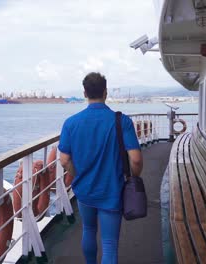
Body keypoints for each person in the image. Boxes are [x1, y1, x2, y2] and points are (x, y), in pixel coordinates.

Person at [58, 72, 143, 264]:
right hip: (112, 190)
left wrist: (77, 175)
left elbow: (64, 160)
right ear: (105, 92)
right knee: (109, 244)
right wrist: (133, 178)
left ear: (85, 93)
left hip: (84, 190)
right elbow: (136, 160)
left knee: (88, 230)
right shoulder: (122, 121)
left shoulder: (71, 123)